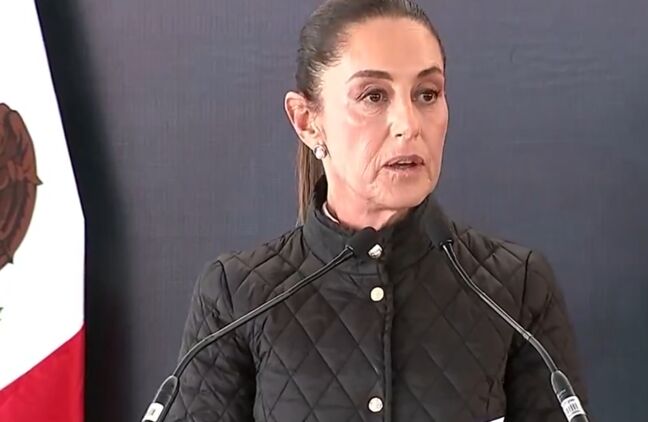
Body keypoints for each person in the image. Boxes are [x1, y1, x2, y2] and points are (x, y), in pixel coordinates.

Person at [167, 0, 589, 421]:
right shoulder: (235, 298)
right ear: (307, 121)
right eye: (373, 96)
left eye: (427, 94)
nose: (409, 124)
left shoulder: (517, 287)